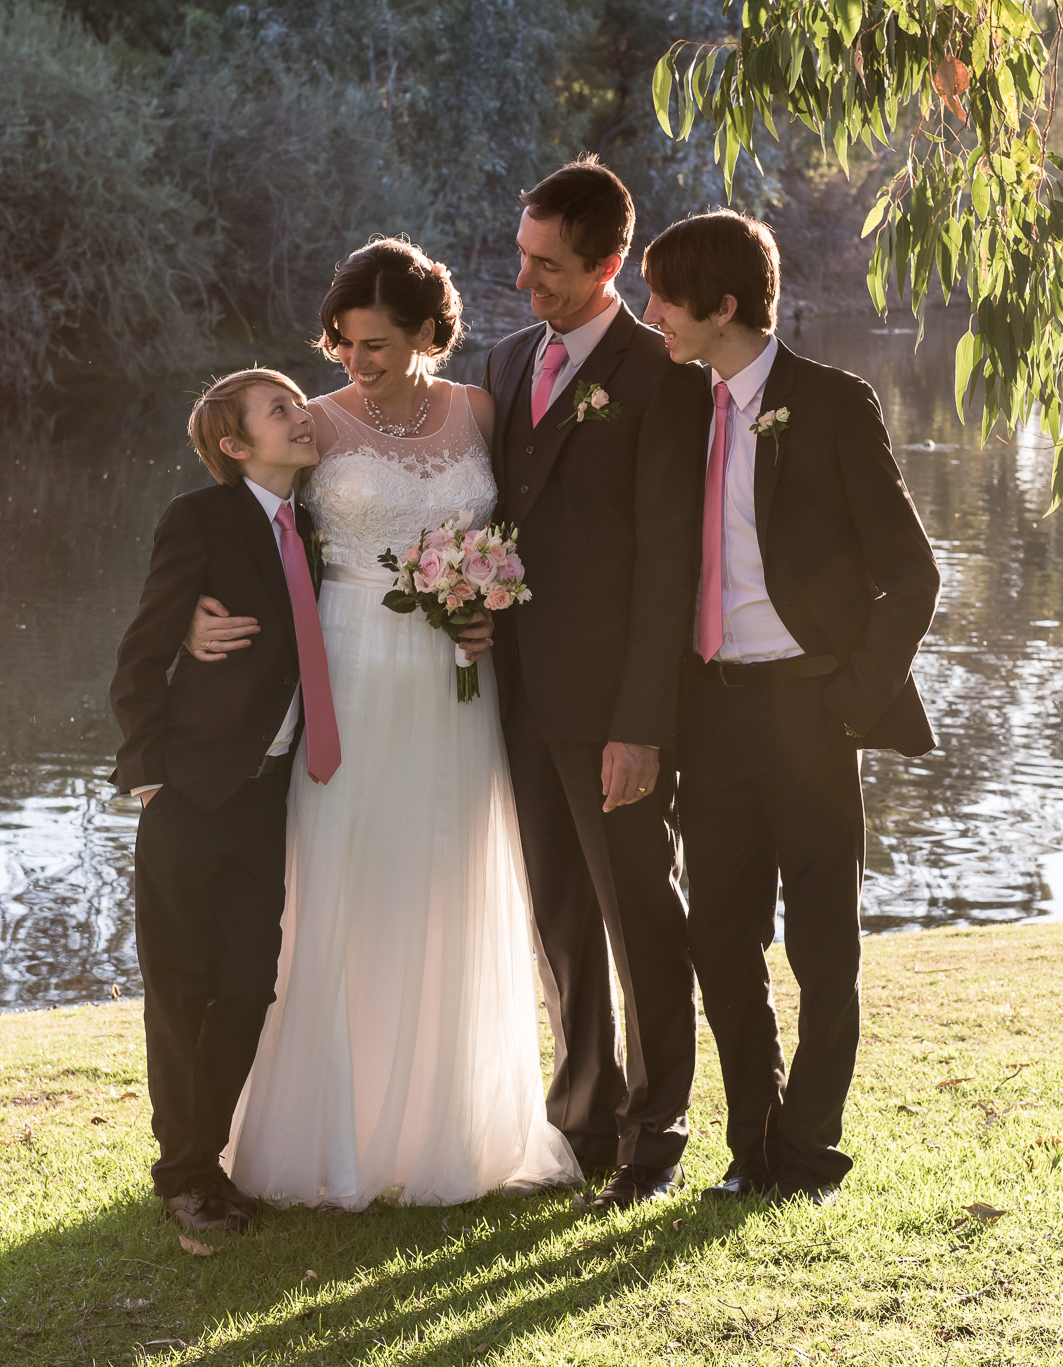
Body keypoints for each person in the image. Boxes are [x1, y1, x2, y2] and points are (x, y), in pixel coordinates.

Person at [218, 237, 579, 1207]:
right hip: (345, 667)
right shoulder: (318, 424)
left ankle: (448, 1129)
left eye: (374, 344)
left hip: (455, 677)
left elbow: (519, 534)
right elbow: (246, 532)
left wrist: (487, 604)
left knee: (445, 876)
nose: (351, 361)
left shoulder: (478, 410)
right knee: (344, 881)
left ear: (427, 333)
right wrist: (206, 622)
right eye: (341, 341)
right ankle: (334, 1134)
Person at [639, 210, 941, 1205]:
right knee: (718, 936)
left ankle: (808, 1156)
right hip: (712, 717)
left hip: (811, 712)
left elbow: (910, 573)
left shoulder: (830, 402)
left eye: (666, 300)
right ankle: (751, 1145)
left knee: (820, 945)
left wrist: (850, 701)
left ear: (722, 307)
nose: (652, 318)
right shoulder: (678, 407)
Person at [481, 157, 711, 1212]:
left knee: (636, 919)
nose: (526, 280)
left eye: (550, 267)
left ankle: (652, 1136)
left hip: (612, 710)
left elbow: (669, 565)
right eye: (522, 257)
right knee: (560, 920)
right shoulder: (501, 359)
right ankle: (581, 1120)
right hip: (518, 702)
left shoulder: (663, 374)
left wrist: (639, 727)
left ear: (610, 264)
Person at [108, 368, 333, 1232]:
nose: (300, 414)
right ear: (236, 446)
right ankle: (187, 1173)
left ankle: (206, 1155)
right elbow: (140, 654)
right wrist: (148, 771)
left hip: (269, 797)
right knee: (180, 988)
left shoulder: (313, 529)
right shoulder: (197, 520)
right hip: (190, 794)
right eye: (280, 410)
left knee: (247, 985)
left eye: (297, 402)